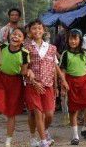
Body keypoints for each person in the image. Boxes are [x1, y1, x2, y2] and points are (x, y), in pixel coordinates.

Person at [24, 19, 69, 147]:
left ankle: (44, 131)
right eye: (34, 28)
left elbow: (55, 65)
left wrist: (63, 80)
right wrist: (32, 80)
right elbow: (23, 67)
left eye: (39, 28)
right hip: (32, 85)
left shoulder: (51, 48)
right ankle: (42, 141)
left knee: (49, 114)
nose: (37, 31)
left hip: (48, 85)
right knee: (37, 113)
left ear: (43, 30)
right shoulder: (26, 48)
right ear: (29, 31)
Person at [0, 28, 34, 147]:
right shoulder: (2, 47)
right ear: (9, 36)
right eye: (14, 34)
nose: (15, 37)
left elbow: (23, 71)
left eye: (19, 35)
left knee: (11, 113)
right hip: (1, 79)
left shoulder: (24, 53)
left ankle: (8, 141)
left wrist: (28, 71)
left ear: (23, 39)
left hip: (16, 82)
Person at [60, 29, 86, 145]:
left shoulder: (85, 53)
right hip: (71, 84)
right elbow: (62, 71)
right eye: (70, 39)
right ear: (67, 40)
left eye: (75, 39)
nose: (73, 41)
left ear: (80, 40)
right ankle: (75, 136)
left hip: (85, 82)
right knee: (73, 110)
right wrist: (63, 84)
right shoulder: (65, 54)